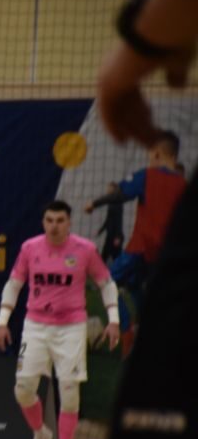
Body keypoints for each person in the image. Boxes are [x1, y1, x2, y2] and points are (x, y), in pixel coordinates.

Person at [96, 0, 198, 439]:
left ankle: (126, 329)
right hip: (155, 262)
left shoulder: (154, 176)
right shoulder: (177, 179)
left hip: (146, 262)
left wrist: (129, 58)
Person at [0, 200, 119, 439]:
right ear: (43, 222)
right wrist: (2, 322)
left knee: (70, 391)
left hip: (71, 328)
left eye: (60, 220)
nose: (54, 226)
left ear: (69, 222)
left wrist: (114, 320)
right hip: (35, 326)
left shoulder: (85, 250)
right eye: (49, 220)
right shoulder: (30, 248)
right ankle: (40, 433)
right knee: (23, 389)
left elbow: (106, 283)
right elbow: (14, 284)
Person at [84, 131, 186, 330]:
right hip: (164, 254)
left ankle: (125, 327)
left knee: (105, 282)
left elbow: (119, 195)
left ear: (156, 154)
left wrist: (94, 203)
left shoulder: (147, 176)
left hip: (140, 248)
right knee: (135, 287)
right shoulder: (184, 186)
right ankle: (141, 326)